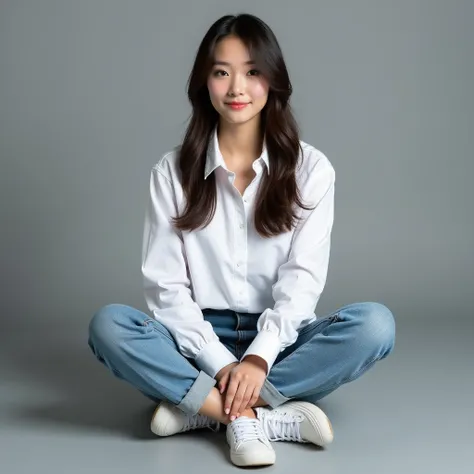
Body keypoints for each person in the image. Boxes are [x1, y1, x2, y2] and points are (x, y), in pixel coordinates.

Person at [88, 13, 396, 468]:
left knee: (375, 326)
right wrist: (217, 359)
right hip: (193, 340)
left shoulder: (312, 170)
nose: (237, 88)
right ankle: (251, 416)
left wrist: (257, 360)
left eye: (252, 71)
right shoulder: (171, 173)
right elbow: (166, 290)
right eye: (221, 71)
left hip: (281, 343)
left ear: (273, 80)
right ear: (204, 82)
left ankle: (201, 407)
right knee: (109, 326)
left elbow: (302, 283)